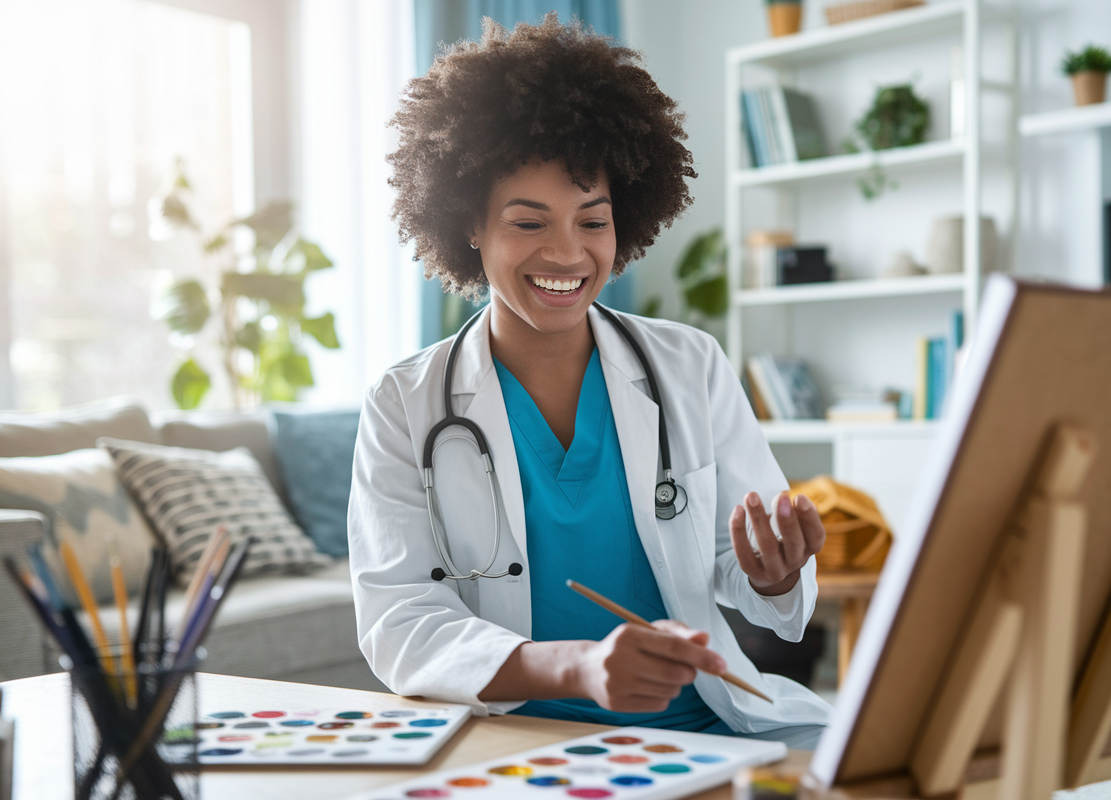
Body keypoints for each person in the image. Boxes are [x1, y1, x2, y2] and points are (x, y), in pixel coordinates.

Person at [348, 14, 832, 748]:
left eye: (592, 220)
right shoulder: (405, 403)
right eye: (529, 222)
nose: (568, 253)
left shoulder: (689, 366)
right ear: (468, 223)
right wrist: (577, 669)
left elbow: (745, 571)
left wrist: (772, 577)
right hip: (519, 740)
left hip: (706, 729)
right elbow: (397, 623)